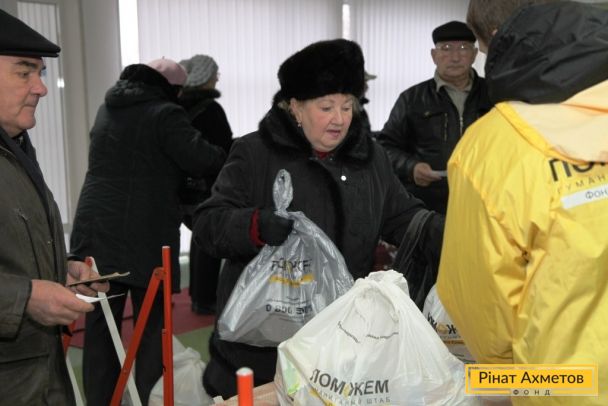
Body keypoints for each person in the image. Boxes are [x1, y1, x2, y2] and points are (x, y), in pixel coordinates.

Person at [192, 38, 444, 398]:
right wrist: (255, 225)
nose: (339, 119)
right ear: (295, 106)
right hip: (265, 347)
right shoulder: (255, 152)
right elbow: (208, 224)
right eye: (326, 107)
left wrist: (442, 231)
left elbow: (401, 215)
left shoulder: (369, 158)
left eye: (347, 106)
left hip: (343, 345)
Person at [437, 1, 608, 405]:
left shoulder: (492, 146)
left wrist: (505, 377)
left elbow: (481, 304)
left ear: (502, 39)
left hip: (567, 388)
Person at [69, 57, 227, 405]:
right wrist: (231, 151)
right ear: (172, 89)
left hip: (95, 227)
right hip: (144, 232)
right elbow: (201, 158)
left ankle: (100, 400)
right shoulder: (165, 114)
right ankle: (148, 397)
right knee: (153, 324)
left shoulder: (108, 108)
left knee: (100, 325)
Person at [0, 9, 109, 405]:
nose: (41, 88)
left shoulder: (15, 148)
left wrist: (61, 269)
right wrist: (26, 296)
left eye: (40, 74)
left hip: (35, 376)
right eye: (24, 73)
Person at [376, 21, 491, 214]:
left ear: (474, 54)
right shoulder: (412, 99)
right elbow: (385, 147)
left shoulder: (494, 95)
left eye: (463, 48)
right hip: (429, 205)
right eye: (446, 48)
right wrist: (411, 168)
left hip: (485, 201)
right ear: (433, 55)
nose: (455, 57)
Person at [178, 54, 233, 315]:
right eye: (215, 73)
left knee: (199, 239)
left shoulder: (177, 108)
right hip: (207, 185)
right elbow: (223, 147)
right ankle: (205, 298)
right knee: (210, 242)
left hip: (183, 186)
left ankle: (197, 294)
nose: (217, 78)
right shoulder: (210, 110)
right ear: (205, 77)